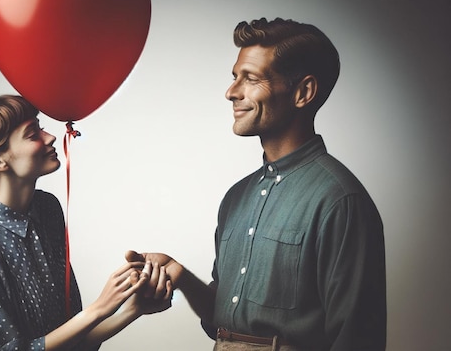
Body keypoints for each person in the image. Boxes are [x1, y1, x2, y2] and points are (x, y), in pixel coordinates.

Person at [127, 18, 386, 350]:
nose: (231, 92)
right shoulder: (236, 198)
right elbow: (223, 322)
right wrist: (181, 276)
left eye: (250, 78)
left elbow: (358, 340)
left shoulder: (340, 201)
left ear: (303, 92)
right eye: (235, 77)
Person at [0, 95, 172, 351]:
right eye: (32, 134)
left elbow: (73, 338)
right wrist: (99, 308)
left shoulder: (47, 209)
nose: (50, 137)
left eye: (39, 126)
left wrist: (132, 308)